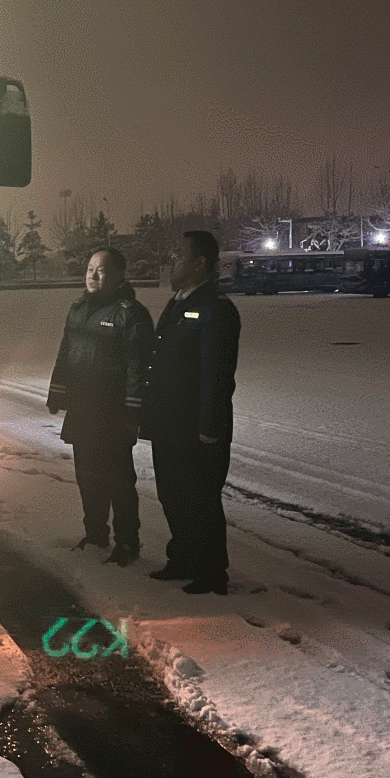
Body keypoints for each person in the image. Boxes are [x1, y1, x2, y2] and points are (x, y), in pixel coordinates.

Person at [140, 229, 241, 595]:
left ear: (200, 263)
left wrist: (209, 425)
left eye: (179, 254)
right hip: (170, 424)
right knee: (172, 495)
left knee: (200, 500)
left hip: (196, 428)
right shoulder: (177, 304)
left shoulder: (217, 309)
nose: (172, 260)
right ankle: (182, 558)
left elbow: (217, 373)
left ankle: (213, 572)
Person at [46, 248, 155, 565]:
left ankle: (127, 544)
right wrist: (57, 392)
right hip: (83, 411)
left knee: (119, 483)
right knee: (87, 478)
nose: (93, 275)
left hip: (114, 415)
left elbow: (139, 368)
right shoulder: (79, 309)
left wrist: (133, 410)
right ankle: (95, 535)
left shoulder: (130, 314)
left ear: (121, 275)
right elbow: (65, 353)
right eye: (90, 268)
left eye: (102, 270)